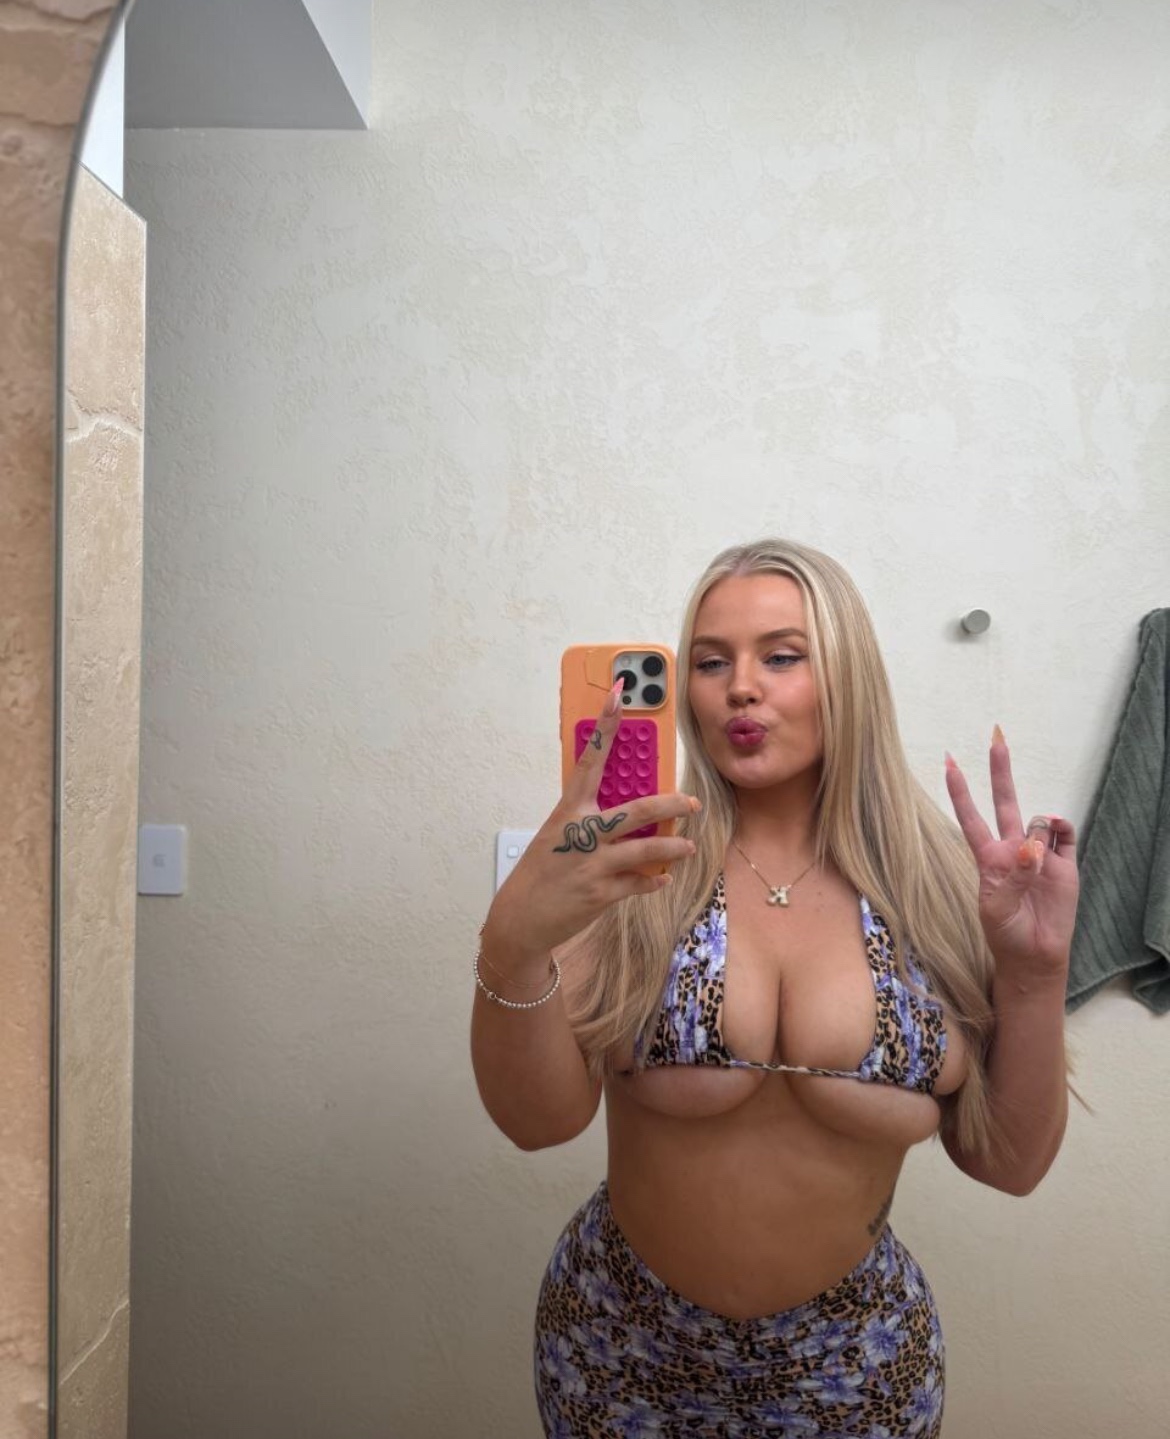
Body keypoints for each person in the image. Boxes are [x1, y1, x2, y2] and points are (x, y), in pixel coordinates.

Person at [471, 538, 1079, 1438]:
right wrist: (514, 942)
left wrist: (1034, 977)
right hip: (620, 1347)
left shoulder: (943, 887)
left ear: (847, 675)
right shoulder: (636, 870)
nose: (740, 688)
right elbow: (538, 1121)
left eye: (781, 656)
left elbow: (1011, 1165)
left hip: (857, 1363)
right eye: (711, 661)